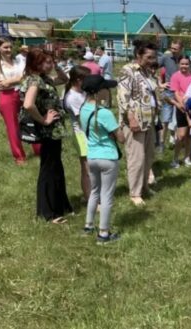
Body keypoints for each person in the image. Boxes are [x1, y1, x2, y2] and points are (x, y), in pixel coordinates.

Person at [21, 48, 72, 223]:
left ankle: (60, 206)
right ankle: (47, 213)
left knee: (56, 167)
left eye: (51, 61)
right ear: (36, 63)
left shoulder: (45, 78)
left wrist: (56, 66)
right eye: (47, 62)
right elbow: (28, 104)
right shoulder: (35, 80)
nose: (50, 65)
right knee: (49, 170)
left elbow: (65, 79)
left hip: (54, 131)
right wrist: (44, 120)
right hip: (47, 131)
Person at [80, 75, 124, 244]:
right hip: (108, 158)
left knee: (94, 192)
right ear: (99, 92)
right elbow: (121, 138)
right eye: (106, 88)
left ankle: (88, 225)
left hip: (92, 156)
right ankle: (104, 233)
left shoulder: (84, 109)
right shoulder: (104, 113)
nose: (109, 91)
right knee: (106, 196)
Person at [117, 40, 159, 206]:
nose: (152, 60)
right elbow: (123, 96)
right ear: (138, 55)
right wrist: (131, 118)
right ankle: (135, 193)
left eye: (153, 57)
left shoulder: (147, 73)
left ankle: (143, 187)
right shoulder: (127, 71)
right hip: (134, 122)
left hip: (149, 121)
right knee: (137, 157)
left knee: (148, 156)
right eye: (148, 57)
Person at [0, 38, 41, 165]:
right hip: (7, 96)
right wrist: (19, 79)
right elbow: (1, 84)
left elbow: (28, 75)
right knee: (13, 127)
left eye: (10, 47)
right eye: (5, 47)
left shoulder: (19, 60)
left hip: (24, 93)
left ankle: (39, 150)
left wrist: (11, 81)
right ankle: (19, 156)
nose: (8, 50)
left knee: (33, 121)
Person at [63, 65, 92, 201]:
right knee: (87, 170)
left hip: (89, 133)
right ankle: (88, 197)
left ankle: (92, 195)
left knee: (91, 168)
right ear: (79, 80)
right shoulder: (72, 97)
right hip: (82, 135)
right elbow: (83, 119)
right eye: (88, 78)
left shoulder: (83, 92)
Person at [168, 55, 191, 168]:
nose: (184, 66)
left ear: (190, 64)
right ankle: (175, 158)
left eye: (186, 64)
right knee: (181, 135)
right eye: (182, 64)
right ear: (178, 64)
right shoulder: (175, 76)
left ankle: (187, 157)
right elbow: (175, 92)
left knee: (190, 135)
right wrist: (183, 105)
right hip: (182, 108)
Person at [157, 41, 184, 153]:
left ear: (181, 49)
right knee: (165, 119)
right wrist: (160, 84)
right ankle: (161, 144)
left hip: (181, 93)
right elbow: (153, 68)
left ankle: (180, 143)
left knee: (180, 120)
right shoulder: (166, 57)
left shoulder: (184, 60)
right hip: (168, 92)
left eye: (175, 49)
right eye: (171, 48)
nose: (172, 50)